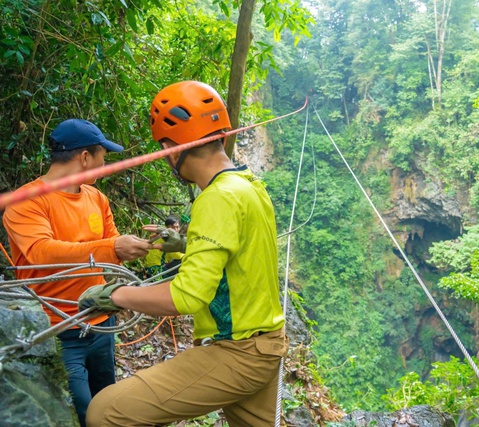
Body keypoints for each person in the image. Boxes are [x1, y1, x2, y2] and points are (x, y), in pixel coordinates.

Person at [79, 81, 287, 427]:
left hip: (236, 351)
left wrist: (116, 295)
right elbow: (241, 252)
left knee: (105, 412)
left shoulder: (216, 197)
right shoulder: (248, 184)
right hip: (266, 344)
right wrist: (187, 245)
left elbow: (187, 296)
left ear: (171, 149)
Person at [1, 119, 153, 427]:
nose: (104, 162)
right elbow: (42, 253)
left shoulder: (97, 199)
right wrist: (112, 247)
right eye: (102, 155)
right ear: (85, 157)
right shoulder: (26, 202)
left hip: (100, 324)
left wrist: (144, 246)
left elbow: (112, 254)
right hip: (58, 328)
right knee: (83, 413)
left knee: (109, 403)